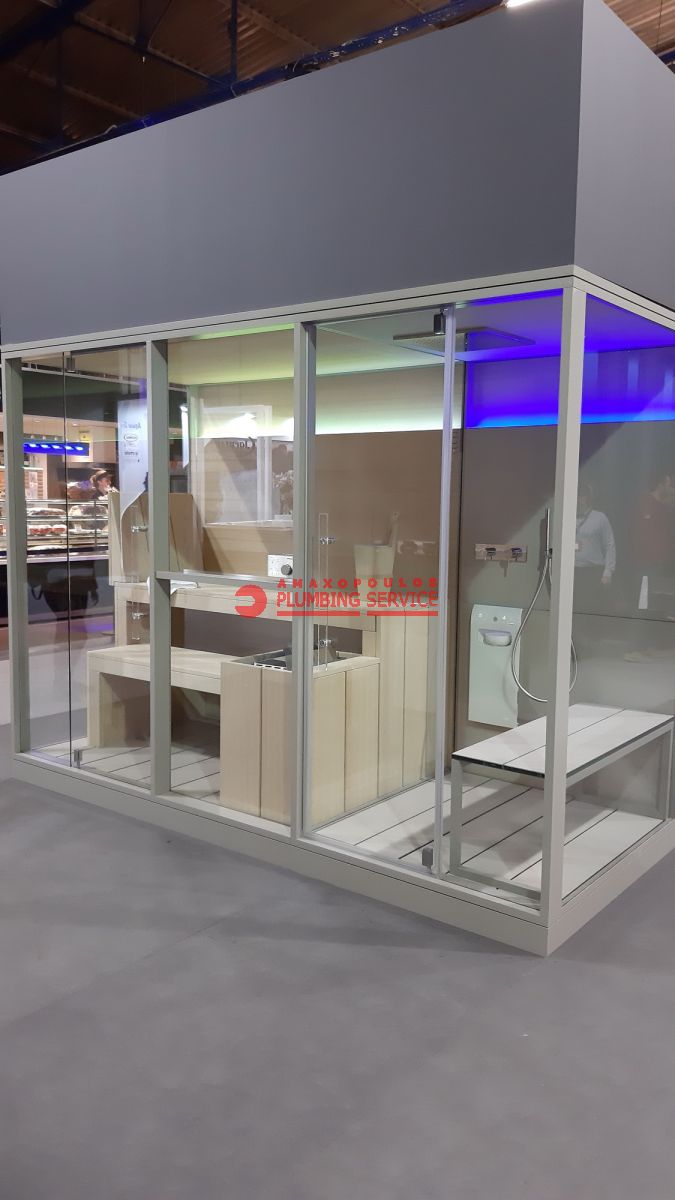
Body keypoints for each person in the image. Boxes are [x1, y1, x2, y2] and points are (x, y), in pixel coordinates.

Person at [574, 483, 616, 612]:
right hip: (571, 571)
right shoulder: (566, 516)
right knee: (573, 610)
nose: (579, 499)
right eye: (577, 495)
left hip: (592, 573)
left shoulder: (600, 518)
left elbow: (609, 545)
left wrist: (608, 572)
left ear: (588, 498)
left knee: (591, 610)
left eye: (582, 495)